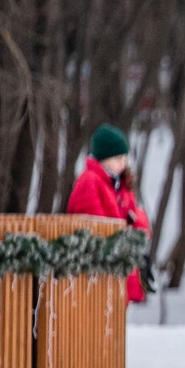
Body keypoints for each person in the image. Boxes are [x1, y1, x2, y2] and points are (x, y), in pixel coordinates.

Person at [67, 123, 154, 303]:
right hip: (98, 272)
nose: (122, 163)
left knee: (114, 322)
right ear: (102, 158)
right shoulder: (90, 181)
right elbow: (93, 227)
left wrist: (138, 239)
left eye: (124, 158)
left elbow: (136, 218)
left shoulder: (120, 185)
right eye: (117, 158)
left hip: (117, 268)